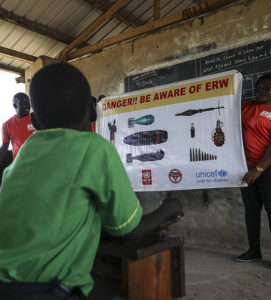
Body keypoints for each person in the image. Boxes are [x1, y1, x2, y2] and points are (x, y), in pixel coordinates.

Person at [0, 63, 183, 300]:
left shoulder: (23, 154)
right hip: (49, 291)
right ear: (93, 110)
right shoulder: (96, 148)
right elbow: (132, 232)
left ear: (34, 121)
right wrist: (169, 209)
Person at [236, 73, 271, 270]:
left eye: (268, 88)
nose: (262, 90)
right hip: (245, 168)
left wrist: (258, 169)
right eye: (259, 87)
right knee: (251, 211)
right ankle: (254, 251)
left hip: (270, 168)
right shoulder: (246, 108)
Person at [0, 93, 35, 164]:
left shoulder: (36, 119)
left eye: (28, 103)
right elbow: (4, 148)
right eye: (23, 103)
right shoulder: (7, 125)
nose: (27, 106)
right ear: (15, 105)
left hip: (37, 160)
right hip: (19, 164)